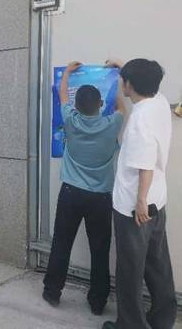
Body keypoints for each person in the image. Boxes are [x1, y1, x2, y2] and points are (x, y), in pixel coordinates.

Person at [43, 61, 125, 315]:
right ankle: (98, 302)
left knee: (61, 242)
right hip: (100, 198)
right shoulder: (112, 124)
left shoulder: (70, 120)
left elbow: (62, 95)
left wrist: (67, 72)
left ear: (76, 106)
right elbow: (122, 106)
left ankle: (52, 292)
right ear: (101, 104)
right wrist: (118, 72)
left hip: (71, 194)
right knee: (100, 250)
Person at [102, 59, 177, 329]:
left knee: (130, 270)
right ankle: (163, 319)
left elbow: (144, 165)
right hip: (158, 201)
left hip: (135, 210)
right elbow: (145, 80)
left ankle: (131, 325)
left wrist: (140, 201)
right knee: (158, 265)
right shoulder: (158, 101)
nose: (121, 83)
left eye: (124, 79)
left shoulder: (139, 120)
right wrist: (123, 66)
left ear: (130, 85)